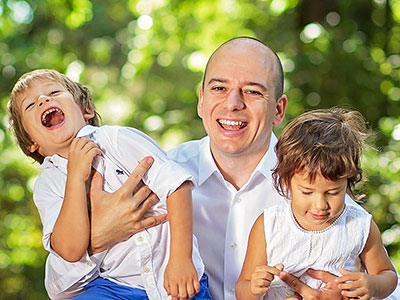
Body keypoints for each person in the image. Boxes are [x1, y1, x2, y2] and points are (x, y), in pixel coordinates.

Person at [28, 37, 400, 300]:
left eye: (253, 91)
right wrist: (96, 240)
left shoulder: (315, 184)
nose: (233, 103)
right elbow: (63, 290)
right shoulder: (156, 175)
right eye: (219, 88)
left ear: (279, 110)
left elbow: (385, 282)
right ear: (201, 101)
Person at [7, 69, 212, 300]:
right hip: (115, 288)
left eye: (54, 92)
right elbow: (71, 250)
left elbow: (177, 186)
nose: (43, 100)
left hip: (176, 279)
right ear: (31, 143)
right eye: (30, 105)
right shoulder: (48, 185)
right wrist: (75, 178)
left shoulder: (116, 140)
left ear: (86, 110)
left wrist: (181, 259)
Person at [235, 107, 398, 300]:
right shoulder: (269, 224)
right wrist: (254, 288)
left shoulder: (359, 225)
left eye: (333, 192)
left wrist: (372, 284)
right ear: (286, 182)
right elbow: (242, 288)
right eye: (307, 192)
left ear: (348, 182)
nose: (320, 205)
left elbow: (388, 276)